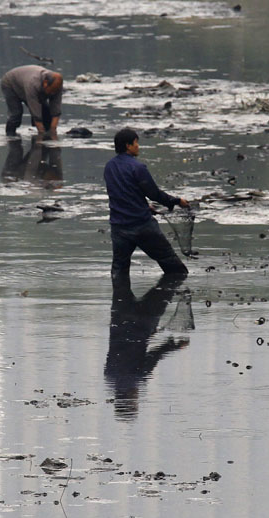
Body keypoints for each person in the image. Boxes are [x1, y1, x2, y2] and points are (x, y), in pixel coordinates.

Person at [105, 270, 190, 419]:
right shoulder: (109, 376)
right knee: (121, 279)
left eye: (135, 402)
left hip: (144, 320)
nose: (137, 397)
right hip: (119, 317)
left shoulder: (138, 377)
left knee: (172, 280)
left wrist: (176, 345)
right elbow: (122, 348)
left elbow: (155, 355)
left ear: (130, 399)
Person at [104, 127, 190, 276]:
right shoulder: (138, 167)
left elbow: (121, 194)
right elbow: (154, 194)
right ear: (128, 146)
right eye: (136, 142)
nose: (138, 146)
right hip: (142, 226)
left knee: (119, 271)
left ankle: (121, 298)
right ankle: (166, 295)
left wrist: (145, 206)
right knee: (175, 268)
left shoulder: (109, 167)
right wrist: (176, 201)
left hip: (119, 227)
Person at [1, 65, 64, 138]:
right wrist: (41, 134)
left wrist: (53, 132)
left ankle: (46, 140)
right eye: (51, 90)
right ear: (45, 83)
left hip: (26, 82)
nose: (53, 93)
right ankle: (10, 136)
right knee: (16, 114)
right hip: (10, 83)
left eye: (55, 91)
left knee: (46, 112)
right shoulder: (33, 83)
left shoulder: (57, 86)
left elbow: (56, 109)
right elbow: (35, 111)